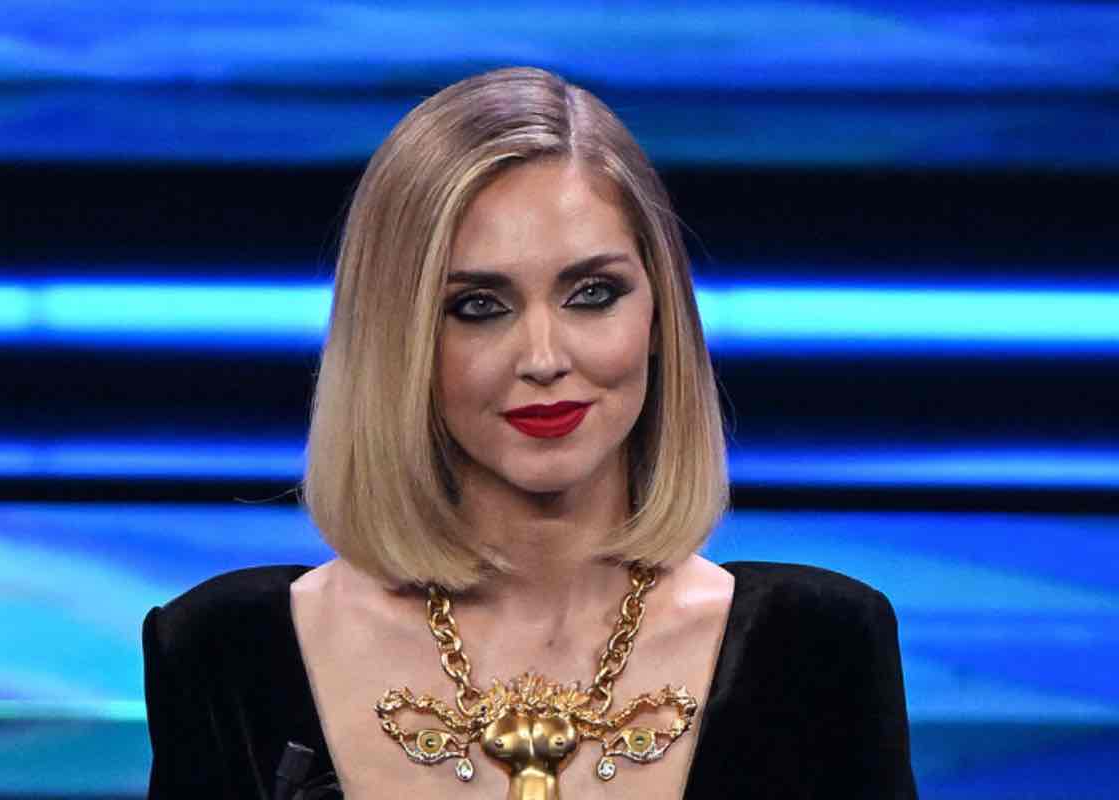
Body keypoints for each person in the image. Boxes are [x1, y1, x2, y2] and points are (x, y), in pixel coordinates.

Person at [142, 66, 917, 799]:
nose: (544, 358)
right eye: (478, 306)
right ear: (396, 341)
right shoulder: (227, 654)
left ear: (659, 317)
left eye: (592, 293)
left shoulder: (815, 650)